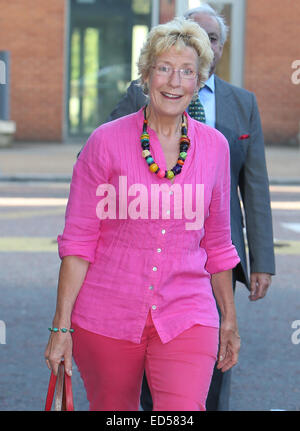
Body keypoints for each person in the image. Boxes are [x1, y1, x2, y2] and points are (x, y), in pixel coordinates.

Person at [44, 17, 241, 411]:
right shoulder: (105, 142)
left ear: (199, 81)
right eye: (164, 68)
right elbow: (79, 243)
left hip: (188, 312)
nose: (174, 82)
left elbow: (218, 243)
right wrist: (61, 327)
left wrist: (229, 321)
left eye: (187, 71)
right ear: (146, 75)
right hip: (106, 313)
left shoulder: (216, 148)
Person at [108, 4, 275, 411]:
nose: (204, 45)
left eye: (212, 38)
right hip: (152, 252)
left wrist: (262, 260)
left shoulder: (242, 102)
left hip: (218, 254)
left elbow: (254, 185)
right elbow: (97, 160)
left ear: (218, 47)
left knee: (215, 352)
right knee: (152, 355)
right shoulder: (141, 93)